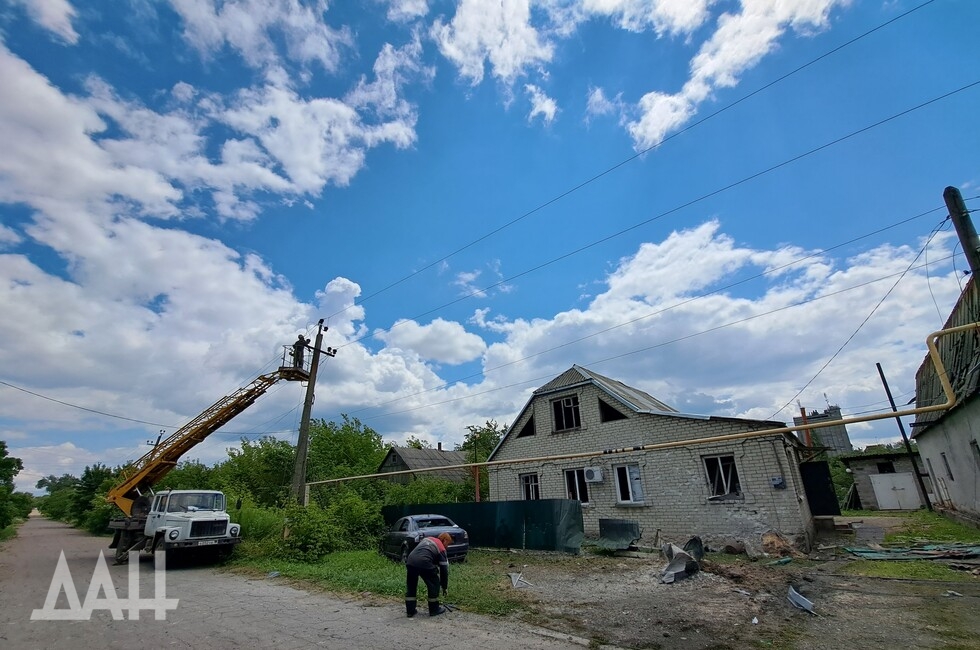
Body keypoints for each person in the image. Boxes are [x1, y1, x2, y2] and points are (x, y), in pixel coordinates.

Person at [405, 532, 452, 617]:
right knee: (434, 583)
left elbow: (425, 552)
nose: (447, 547)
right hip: (424, 562)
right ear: (444, 540)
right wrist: (444, 587)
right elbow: (444, 569)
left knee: (411, 586)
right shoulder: (441, 548)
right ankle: (434, 609)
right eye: (448, 544)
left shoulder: (427, 539)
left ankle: (410, 611)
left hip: (410, 561)